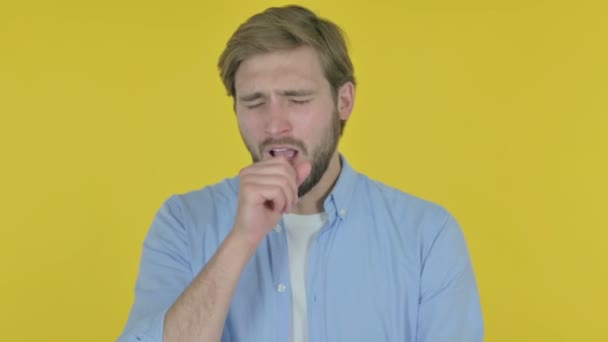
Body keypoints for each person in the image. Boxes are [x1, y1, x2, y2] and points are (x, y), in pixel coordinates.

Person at [118, 5, 483, 342]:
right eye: (254, 102)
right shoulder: (183, 223)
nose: (275, 124)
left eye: (297, 99)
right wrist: (242, 239)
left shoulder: (427, 237)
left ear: (344, 102)